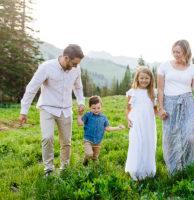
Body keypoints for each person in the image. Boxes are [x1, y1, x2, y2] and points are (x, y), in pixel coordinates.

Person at [19, 44, 85, 177]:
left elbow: (78, 87)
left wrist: (81, 101)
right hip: (47, 107)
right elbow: (32, 87)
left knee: (66, 141)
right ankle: (48, 169)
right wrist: (24, 110)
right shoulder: (46, 67)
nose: (76, 66)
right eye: (74, 63)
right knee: (47, 137)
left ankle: (64, 167)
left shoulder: (76, 70)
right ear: (66, 58)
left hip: (66, 109)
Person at [157, 40, 194, 175]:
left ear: (186, 52)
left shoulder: (193, 69)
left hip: (187, 103)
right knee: (170, 137)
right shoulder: (164, 66)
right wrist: (160, 108)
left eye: (178, 52)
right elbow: (160, 89)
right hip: (169, 103)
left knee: (189, 137)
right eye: (174, 51)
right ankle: (173, 171)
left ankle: (188, 169)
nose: (175, 54)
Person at [125, 66, 158, 181]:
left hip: (148, 123)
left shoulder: (153, 93)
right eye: (142, 78)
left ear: (151, 79)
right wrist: (128, 119)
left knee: (148, 144)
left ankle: (147, 170)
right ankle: (135, 170)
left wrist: (161, 114)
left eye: (146, 78)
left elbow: (155, 109)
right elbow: (128, 108)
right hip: (136, 123)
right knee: (136, 144)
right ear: (137, 78)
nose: (144, 80)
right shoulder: (132, 92)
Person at [77, 96, 125, 166]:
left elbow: (107, 128)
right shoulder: (87, 115)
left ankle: (95, 170)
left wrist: (118, 127)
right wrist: (79, 115)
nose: (96, 110)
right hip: (88, 140)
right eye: (94, 108)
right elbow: (80, 123)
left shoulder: (103, 117)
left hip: (98, 142)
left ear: (101, 106)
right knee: (89, 154)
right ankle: (85, 164)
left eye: (98, 108)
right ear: (90, 107)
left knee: (95, 158)